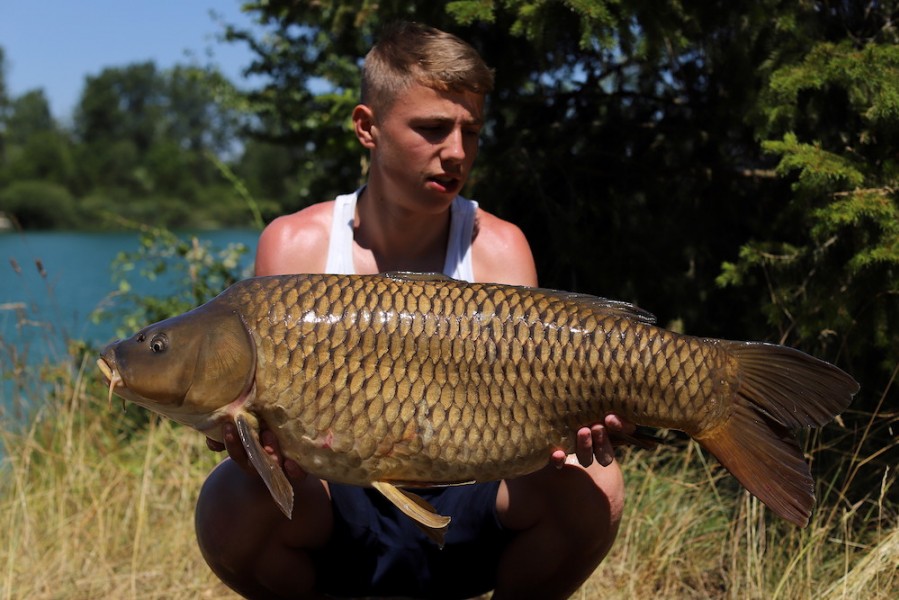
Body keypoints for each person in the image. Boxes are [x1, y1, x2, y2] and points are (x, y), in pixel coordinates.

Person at [196, 21, 631, 600]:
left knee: (596, 482)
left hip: (474, 499)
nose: (456, 152)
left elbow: (538, 426)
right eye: (431, 129)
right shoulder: (295, 245)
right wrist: (246, 439)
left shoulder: (499, 248)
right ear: (367, 127)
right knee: (229, 498)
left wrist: (585, 425)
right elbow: (260, 416)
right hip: (337, 502)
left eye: (470, 132)